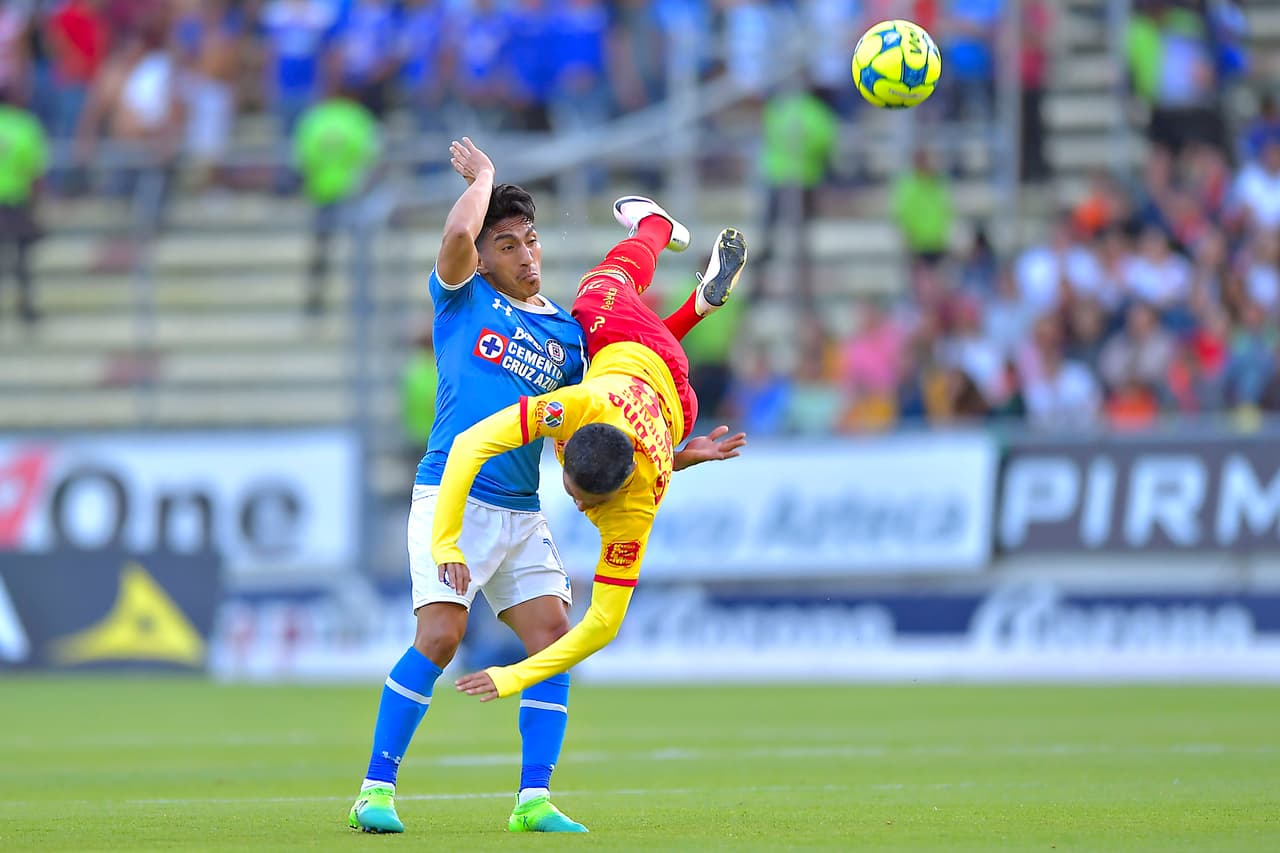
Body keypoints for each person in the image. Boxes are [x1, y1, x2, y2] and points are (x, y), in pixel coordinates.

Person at [347, 137, 742, 836]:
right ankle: (374, 789)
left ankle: (533, 801)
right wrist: (488, 178)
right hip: (454, 491)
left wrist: (679, 456)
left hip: (521, 508)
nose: (526, 255)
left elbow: (599, 438)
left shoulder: (566, 336)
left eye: (530, 241)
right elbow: (457, 232)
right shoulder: (461, 299)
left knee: (552, 635)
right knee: (441, 634)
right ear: (485, 258)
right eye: (508, 245)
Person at [434, 175, 749, 708]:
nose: (576, 502)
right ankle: (653, 232)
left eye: (580, 497)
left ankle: (677, 268)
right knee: (598, 292)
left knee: (585, 322)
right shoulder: (586, 416)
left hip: (677, 407)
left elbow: (601, 626)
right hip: (641, 367)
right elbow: (602, 625)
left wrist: (679, 457)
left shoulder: (636, 493)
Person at [292, 87, 379, 314]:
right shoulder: (357, 118)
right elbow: (370, 155)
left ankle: (315, 302)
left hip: (322, 192)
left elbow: (302, 157)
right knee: (358, 252)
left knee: (321, 252)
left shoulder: (314, 119)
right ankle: (361, 303)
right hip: (352, 194)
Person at [0, 84, 48, 323]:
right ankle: (25, 307)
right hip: (16, 199)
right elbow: (35, 168)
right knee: (21, 259)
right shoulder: (25, 125)